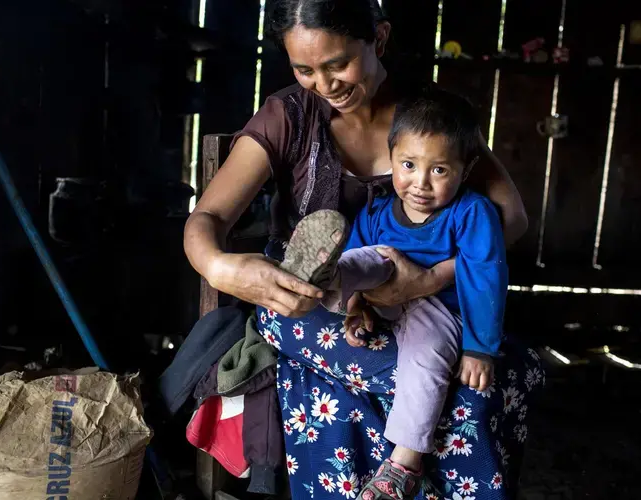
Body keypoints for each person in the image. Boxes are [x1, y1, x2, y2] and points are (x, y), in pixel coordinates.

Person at [184, 1, 545, 498]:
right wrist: (220, 266)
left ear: (378, 39)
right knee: (463, 395)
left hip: (431, 302)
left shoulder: (430, 120)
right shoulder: (288, 115)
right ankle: (335, 287)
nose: (324, 84)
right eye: (304, 69)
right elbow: (208, 218)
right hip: (312, 305)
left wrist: (430, 279)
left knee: (488, 375)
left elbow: (510, 220)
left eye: (337, 64)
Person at [277, 86, 508, 500]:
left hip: (437, 308)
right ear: (392, 157)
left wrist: (479, 348)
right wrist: (356, 308)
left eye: (439, 170)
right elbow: (365, 262)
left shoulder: (472, 213)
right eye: (408, 164)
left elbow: (485, 276)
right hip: (383, 293)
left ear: (466, 168)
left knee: (426, 358)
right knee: (368, 257)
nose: (421, 182)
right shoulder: (379, 209)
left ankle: (403, 465)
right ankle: (321, 277)